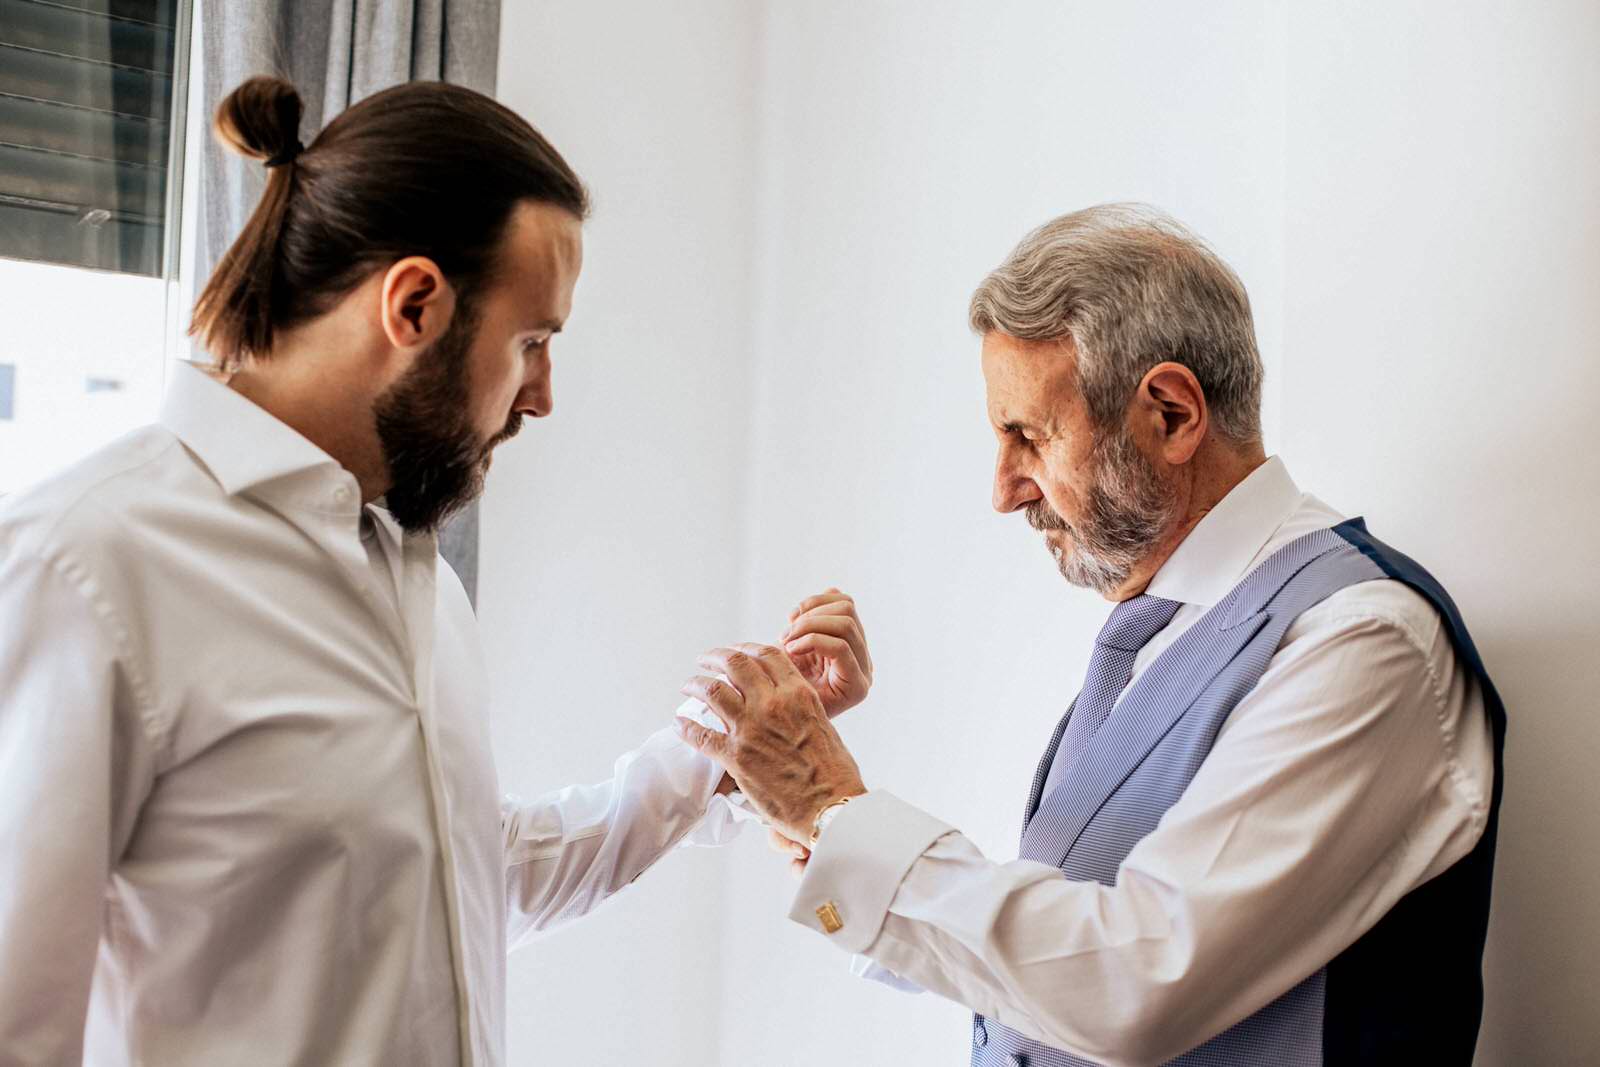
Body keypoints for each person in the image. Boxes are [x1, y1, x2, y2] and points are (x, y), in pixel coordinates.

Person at [0, 77, 871, 1066]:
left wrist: (732, 735)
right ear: (414, 303)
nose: (541, 396)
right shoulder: (85, 565)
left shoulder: (415, 576)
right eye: (531, 341)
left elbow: (474, 881)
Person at [678, 204, 1506, 1066]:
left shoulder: (1363, 643)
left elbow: (1137, 981)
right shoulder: (1156, 635)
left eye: (1027, 435)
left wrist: (832, 802)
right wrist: (815, 822)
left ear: (1174, 414)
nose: (1003, 490)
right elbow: (1065, 955)